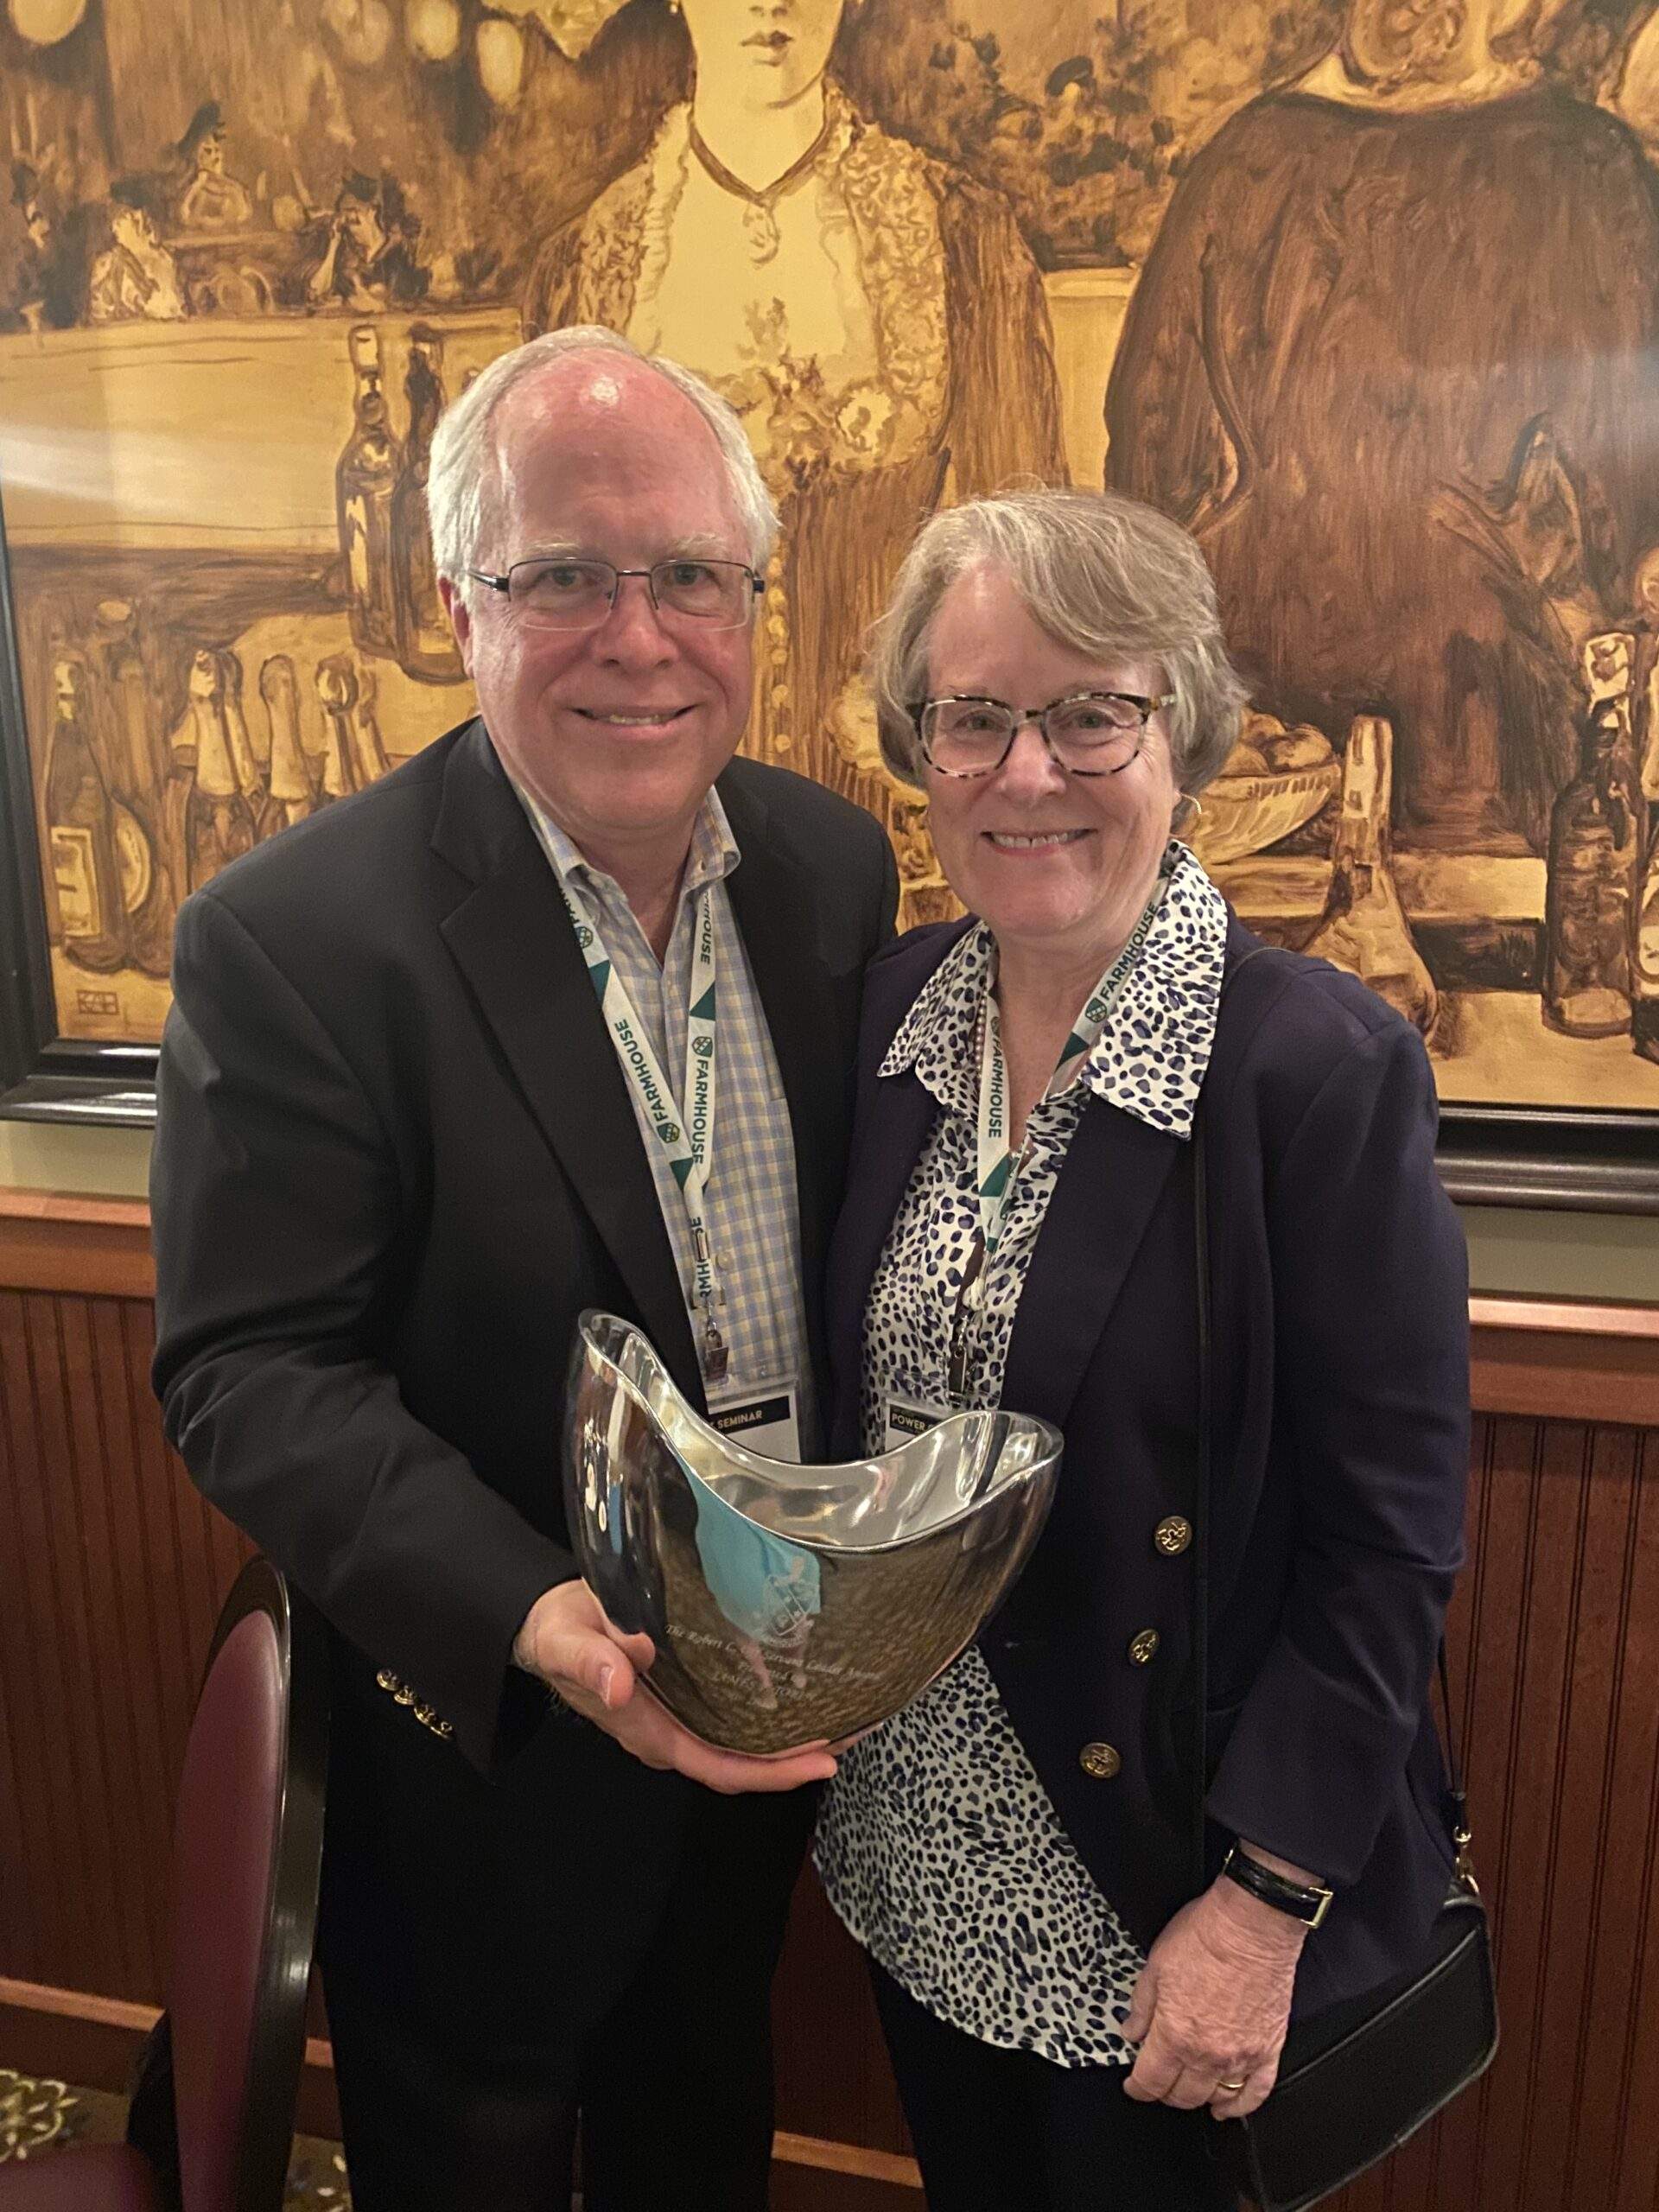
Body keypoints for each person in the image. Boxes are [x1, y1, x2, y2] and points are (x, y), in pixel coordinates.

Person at [149, 324, 898, 2212]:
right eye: (564, 574)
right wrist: (547, 1623)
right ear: (459, 598)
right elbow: (252, 1370)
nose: (636, 636)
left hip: (765, 1728)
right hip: (488, 1757)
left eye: (690, 578)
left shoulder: (835, 868)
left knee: (701, 2130)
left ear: (751, 604)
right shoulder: (297, 935)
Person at [814, 488, 1471, 2209]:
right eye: (975, 718)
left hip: (1161, 1887)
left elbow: (1387, 1538)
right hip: (914, 1859)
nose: (1028, 775)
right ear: (921, 747)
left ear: (1181, 728)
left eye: (1091, 712)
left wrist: (1263, 1902)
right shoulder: (887, 1015)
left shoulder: (1312, 1071)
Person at [524, 0, 1066, 924]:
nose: (771, 6)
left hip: (903, 854)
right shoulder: (589, 265)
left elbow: (1033, 593)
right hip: (648, 862)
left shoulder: (962, 241)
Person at [1104, 0, 1659, 856]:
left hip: (1492, 756)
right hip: (1268, 752)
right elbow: (1153, 471)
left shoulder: (1590, 167)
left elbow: (1634, 513)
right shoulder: (1248, 163)